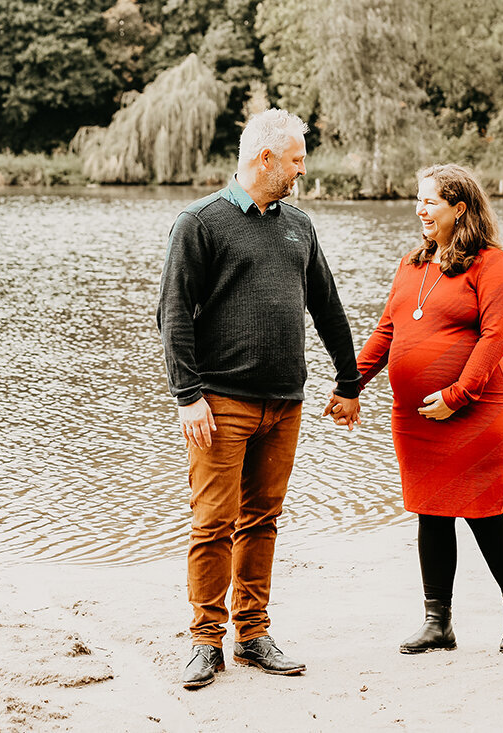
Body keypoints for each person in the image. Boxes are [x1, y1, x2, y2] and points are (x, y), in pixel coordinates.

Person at [157, 108, 362, 689]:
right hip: (220, 403)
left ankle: (251, 633)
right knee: (213, 522)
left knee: (263, 519)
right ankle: (204, 640)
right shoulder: (200, 223)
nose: (303, 168)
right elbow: (172, 315)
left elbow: (326, 306)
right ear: (264, 158)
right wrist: (187, 395)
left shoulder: (299, 225)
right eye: (296, 158)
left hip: (284, 402)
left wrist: (348, 382)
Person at [326, 163, 503, 654]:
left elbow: (494, 338)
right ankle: (437, 622)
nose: (420, 209)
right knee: (430, 512)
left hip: (476, 410)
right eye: (418, 200)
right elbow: (386, 331)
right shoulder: (411, 264)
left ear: (459, 208)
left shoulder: (490, 263)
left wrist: (456, 395)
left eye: (430, 200)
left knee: (483, 512)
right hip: (416, 418)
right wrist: (349, 385)